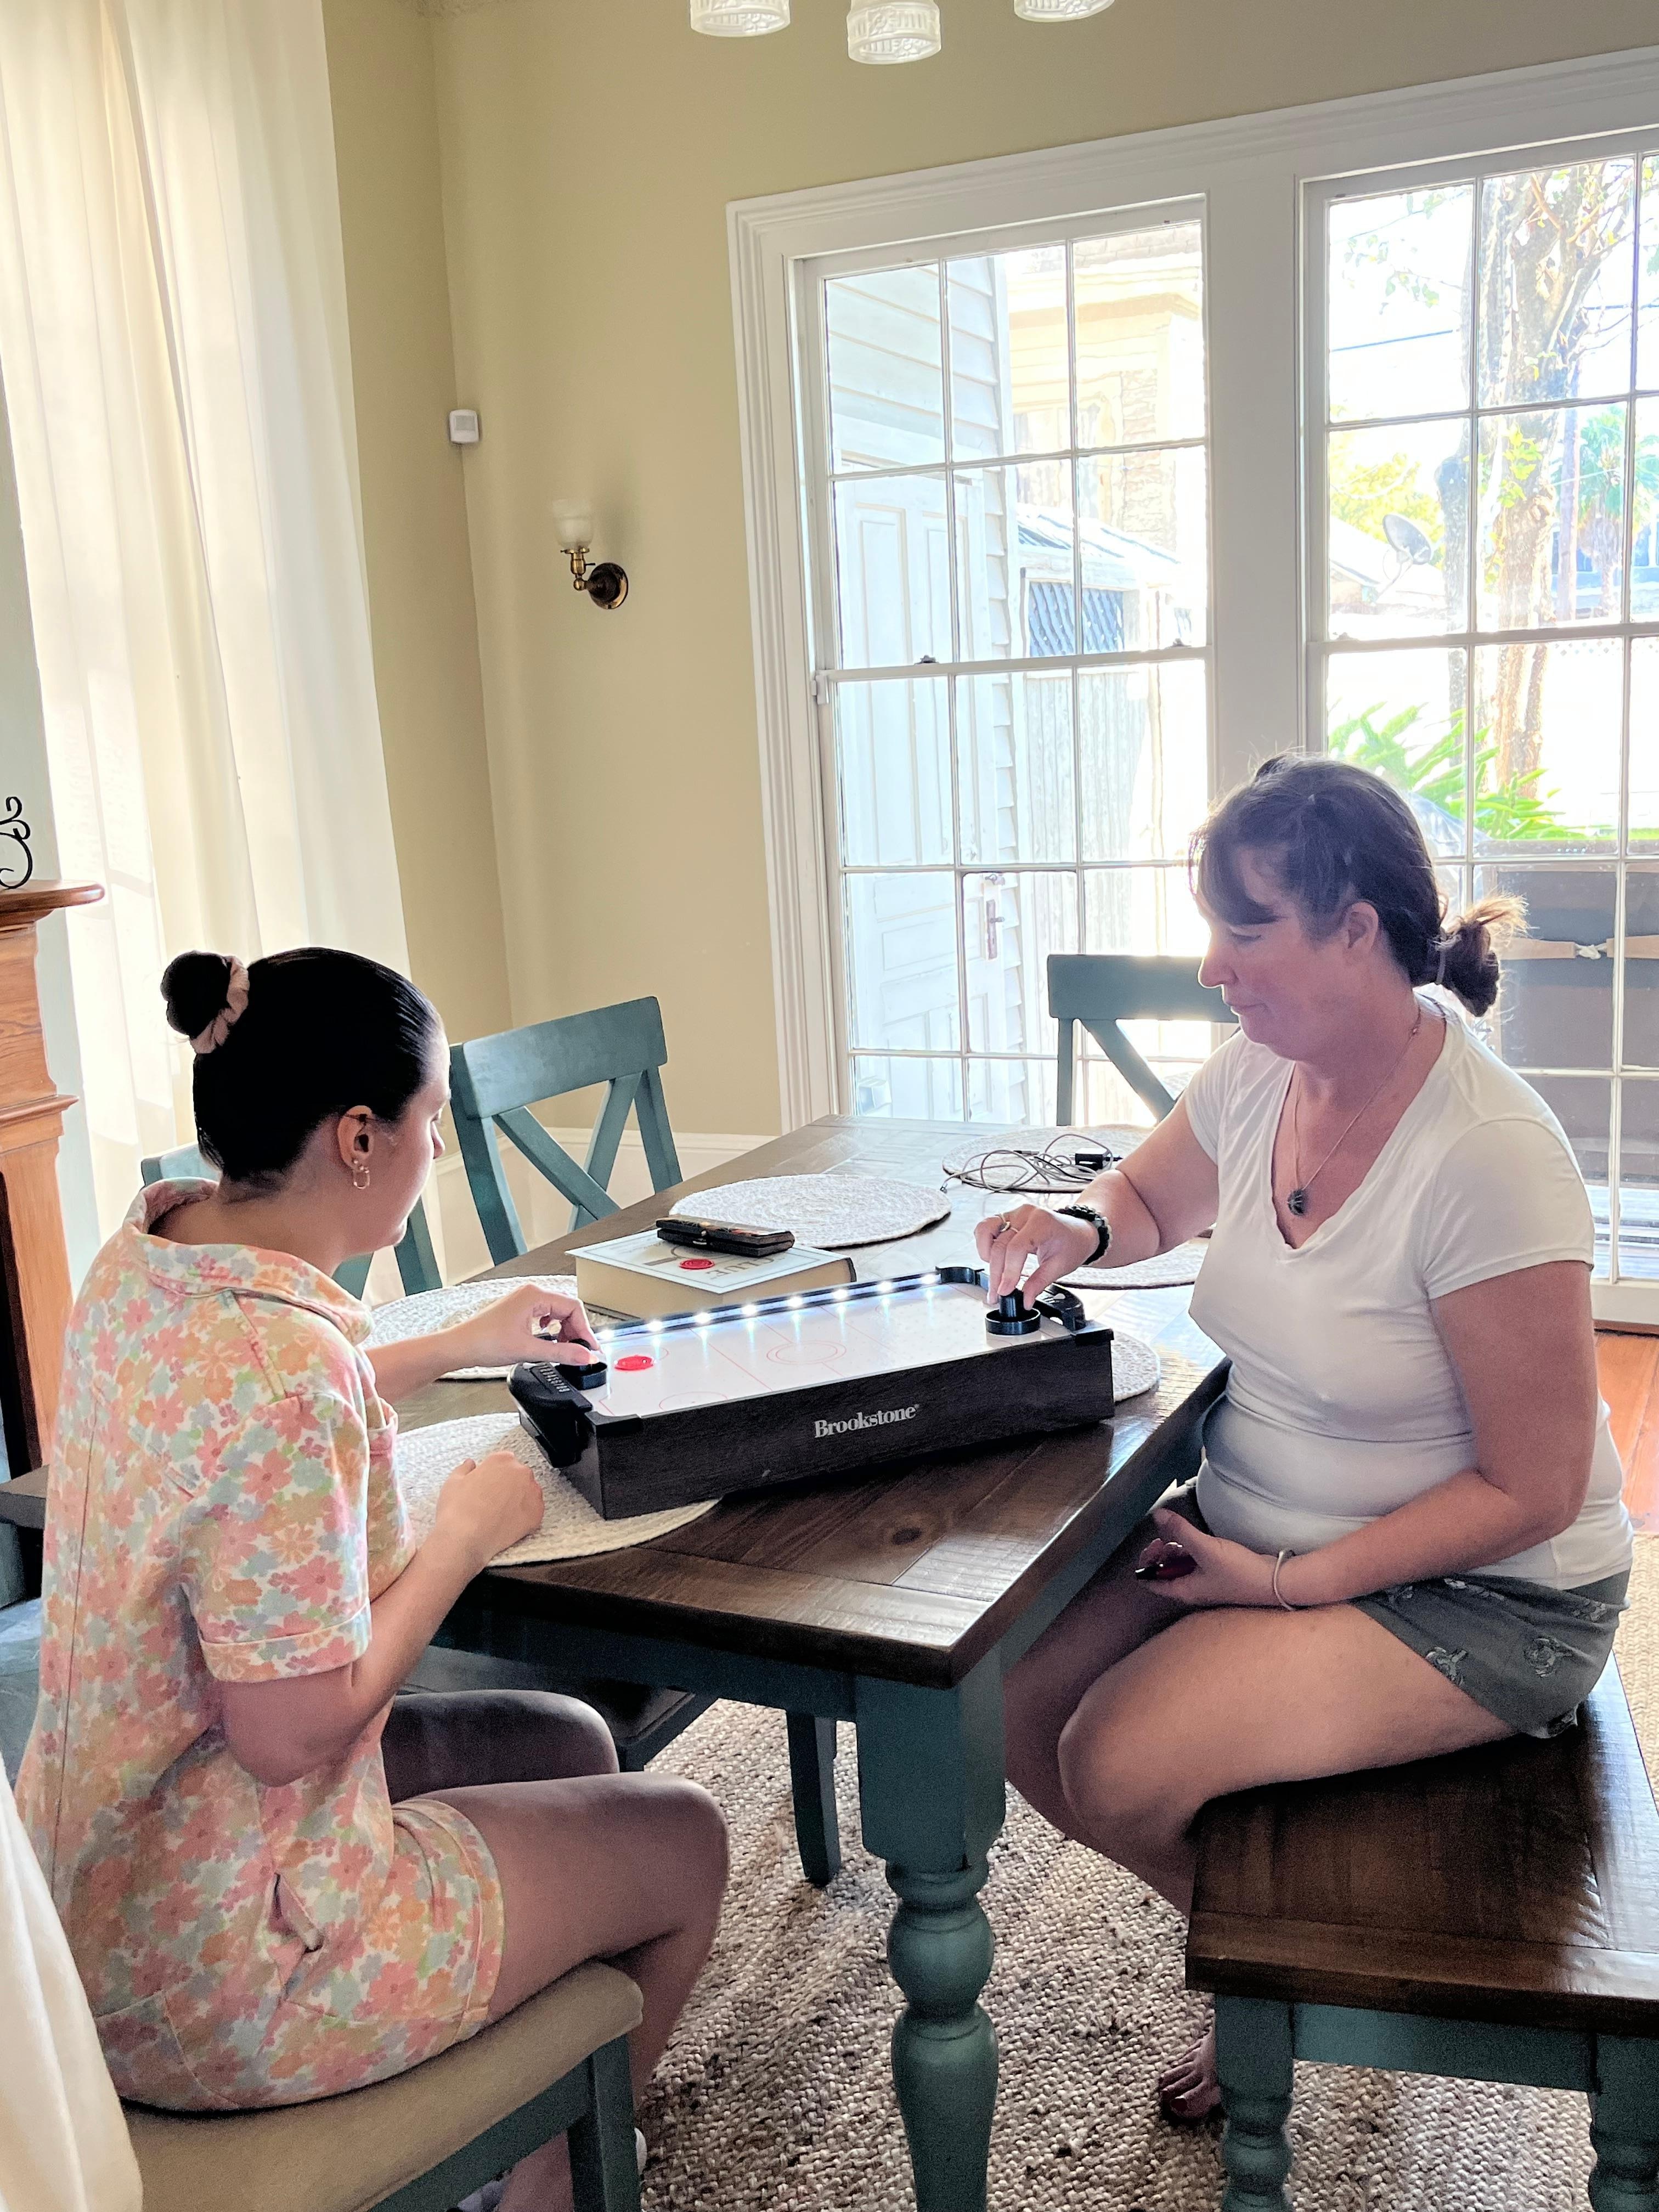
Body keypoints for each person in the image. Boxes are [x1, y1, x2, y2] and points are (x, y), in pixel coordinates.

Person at [16, 947, 727, 2212]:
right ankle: (554, 2191)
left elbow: (256, 1399)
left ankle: (544, 2096)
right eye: (431, 1122)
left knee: (569, 1737)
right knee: (687, 1840)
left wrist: (459, 1341)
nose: (439, 1151)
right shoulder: (288, 1376)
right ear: (358, 1137)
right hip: (222, 1981)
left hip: (81, 1908)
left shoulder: (151, 1257)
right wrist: (465, 1534)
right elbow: (288, 1734)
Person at [977, 756, 1633, 2123]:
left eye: (1247, 927)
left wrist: (1277, 1588)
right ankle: (1269, 1958)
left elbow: (1534, 1486)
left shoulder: (1489, 1154)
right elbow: (1152, 1198)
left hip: (1488, 1590)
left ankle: (1280, 1989)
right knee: (1012, 1699)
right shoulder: (1260, 1073)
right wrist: (1080, 1228)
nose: (1213, 964)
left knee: (1118, 1757)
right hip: (1265, 1522)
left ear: (1359, 929)